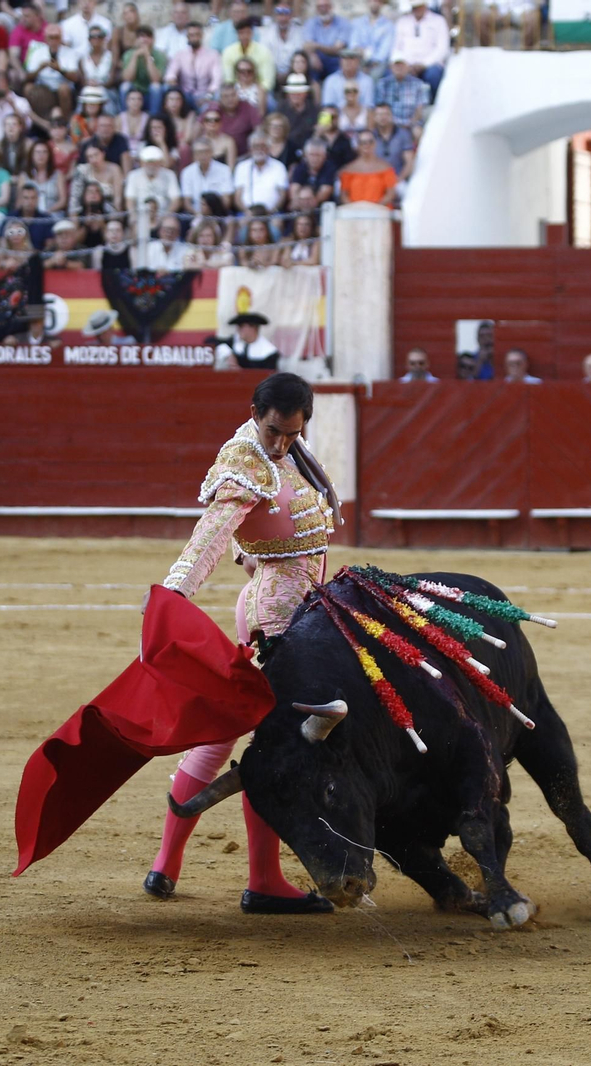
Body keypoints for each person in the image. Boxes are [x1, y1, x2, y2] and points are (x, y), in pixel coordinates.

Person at [145, 372, 340, 916]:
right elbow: (210, 532)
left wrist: (252, 552)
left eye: (292, 434)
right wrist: (175, 590)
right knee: (273, 745)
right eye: (274, 431)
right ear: (255, 411)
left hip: (292, 607)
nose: (280, 443)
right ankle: (264, 880)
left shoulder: (285, 450)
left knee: (221, 737)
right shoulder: (245, 459)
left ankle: (165, 865)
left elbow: (259, 528)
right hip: (281, 622)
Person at [392, 0, 448, 97]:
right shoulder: (403, 21)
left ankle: (432, 102)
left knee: (433, 75)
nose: (416, 9)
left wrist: (424, 64)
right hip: (407, 64)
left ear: (425, 5)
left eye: (418, 6)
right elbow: (396, 47)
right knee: (390, 75)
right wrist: (404, 64)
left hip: (430, 65)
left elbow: (442, 49)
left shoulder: (438, 21)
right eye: (414, 7)